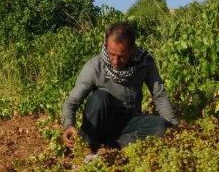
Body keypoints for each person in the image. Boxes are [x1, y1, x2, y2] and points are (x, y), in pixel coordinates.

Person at [61, 22, 178, 152]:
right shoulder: (94, 66)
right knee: (99, 97)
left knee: (162, 126)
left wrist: (173, 127)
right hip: (101, 125)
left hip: (130, 122)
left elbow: (159, 95)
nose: (115, 61)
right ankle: (89, 146)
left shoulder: (144, 63)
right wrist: (68, 125)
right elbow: (72, 102)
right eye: (111, 54)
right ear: (106, 45)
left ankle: (113, 146)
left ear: (132, 50)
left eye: (121, 56)